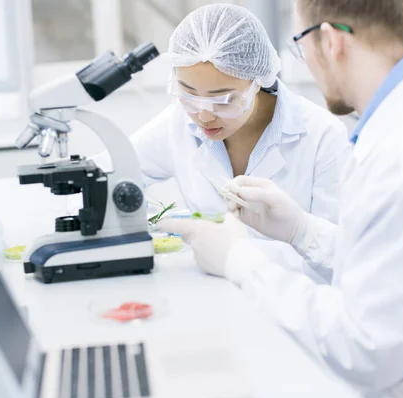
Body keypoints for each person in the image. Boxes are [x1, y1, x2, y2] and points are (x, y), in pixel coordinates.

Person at [159, 0, 403, 398]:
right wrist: (303, 231)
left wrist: (241, 261)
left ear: (331, 41)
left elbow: (367, 350)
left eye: (302, 46)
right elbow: (399, 265)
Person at [94, 4, 349, 230]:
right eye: (189, 94)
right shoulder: (177, 123)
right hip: (210, 282)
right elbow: (101, 176)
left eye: (223, 100)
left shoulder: (323, 135)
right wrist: (152, 222)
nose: (203, 115)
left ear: (257, 81)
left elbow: (338, 254)